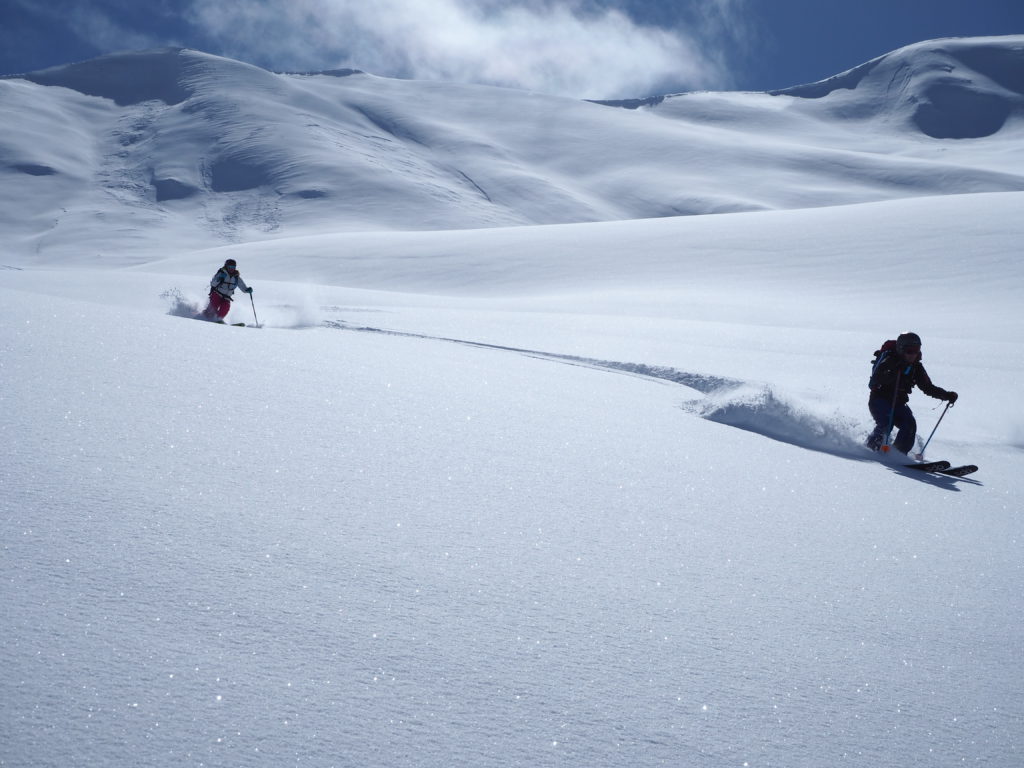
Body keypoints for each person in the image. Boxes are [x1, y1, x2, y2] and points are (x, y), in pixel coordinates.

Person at [866, 331, 958, 454]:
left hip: (898, 403)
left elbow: (927, 387)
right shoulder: (888, 360)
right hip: (879, 400)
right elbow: (874, 381)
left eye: (916, 350)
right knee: (886, 423)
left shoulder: (916, 367)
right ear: (900, 349)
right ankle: (870, 450)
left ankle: (898, 455)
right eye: (909, 351)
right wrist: (893, 371)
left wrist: (946, 395)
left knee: (909, 425)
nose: (913, 354)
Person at [201, 258, 252, 322]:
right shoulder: (221, 273)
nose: (232, 268)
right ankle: (203, 318)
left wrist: (247, 290)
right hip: (217, 294)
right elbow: (213, 284)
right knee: (213, 308)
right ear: (226, 266)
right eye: (230, 266)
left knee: (225, 308)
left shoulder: (236, 277)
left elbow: (242, 286)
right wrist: (219, 278)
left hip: (227, 297)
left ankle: (218, 320)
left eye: (233, 267)